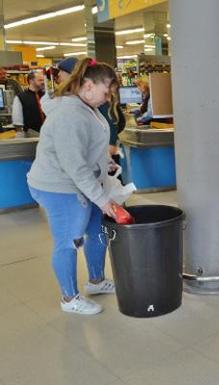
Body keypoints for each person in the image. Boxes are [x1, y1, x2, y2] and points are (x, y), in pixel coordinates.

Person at [27, 57, 122, 315]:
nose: (107, 99)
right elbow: (75, 166)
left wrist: (105, 162)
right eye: (106, 93)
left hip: (79, 182)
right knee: (68, 240)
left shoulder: (86, 108)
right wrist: (103, 200)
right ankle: (69, 298)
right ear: (88, 85)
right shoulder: (70, 114)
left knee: (98, 228)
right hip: (58, 186)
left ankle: (96, 280)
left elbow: (88, 147)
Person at [12, 71, 46, 136]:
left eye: (43, 80)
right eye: (40, 80)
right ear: (31, 81)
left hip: (47, 135)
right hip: (30, 135)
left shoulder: (46, 96)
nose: (43, 82)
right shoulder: (20, 97)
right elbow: (17, 121)